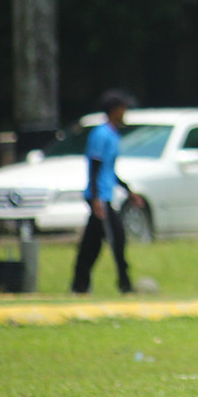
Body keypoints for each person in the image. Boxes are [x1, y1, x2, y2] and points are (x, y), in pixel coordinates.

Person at [71, 89, 145, 294]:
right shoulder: (101, 134)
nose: (125, 112)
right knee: (117, 239)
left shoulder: (112, 135)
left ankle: (79, 285)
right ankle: (125, 285)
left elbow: (109, 171)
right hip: (100, 197)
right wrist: (95, 198)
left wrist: (128, 191)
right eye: (123, 108)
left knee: (92, 245)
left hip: (104, 195)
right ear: (114, 110)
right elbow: (95, 166)